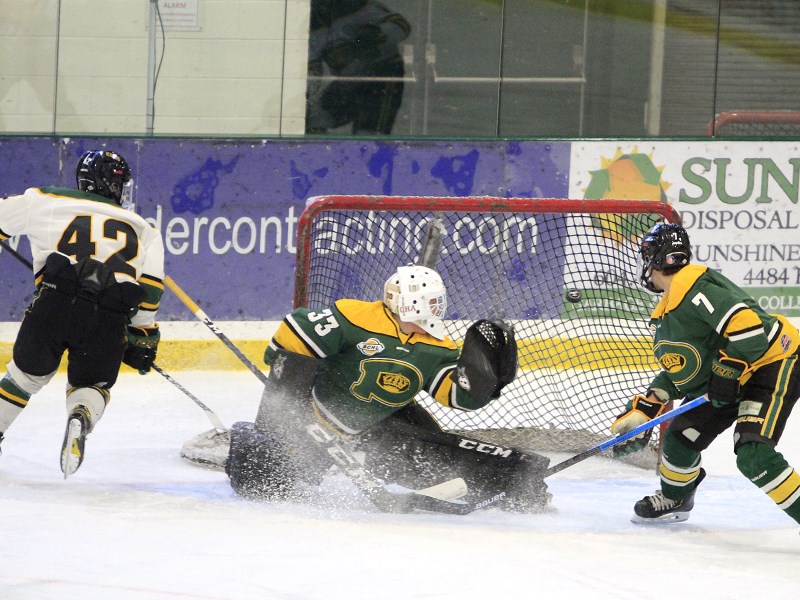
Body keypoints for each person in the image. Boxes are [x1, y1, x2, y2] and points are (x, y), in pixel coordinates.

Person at [225, 265, 551, 512]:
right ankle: (271, 442)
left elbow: (454, 394)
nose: (437, 310)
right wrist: (288, 400)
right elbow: (295, 330)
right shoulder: (356, 317)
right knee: (263, 480)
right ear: (407, 303)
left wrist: (485, 382)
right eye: (430, 302)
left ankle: (513, 484)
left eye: (438, 302)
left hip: (375, 433)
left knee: (445, 466)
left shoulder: (437, 345)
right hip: (313, 423)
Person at [610, 223, 800, 524]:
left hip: (772, 363)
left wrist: (727, 369)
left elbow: (750, 330)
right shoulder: (670, 307)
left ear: (657, 260)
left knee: (753, 455)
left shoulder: (692, 285)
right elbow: (686, 369)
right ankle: (676, 497)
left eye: (645, 257)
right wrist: (647, 406)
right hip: (735, 374)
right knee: (680, 439)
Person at [0, 150, 165, 477]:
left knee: (23, 377)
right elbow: (150, 290)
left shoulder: (44, 199)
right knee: (92, 383)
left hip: (55, 302)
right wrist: (142, 336)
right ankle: (81, 414)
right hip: (109, 315)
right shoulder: (143, 228)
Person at [306, 0, 411, 135]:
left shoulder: (358, 5)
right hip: (347, 81)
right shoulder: (308, 22)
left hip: (382, 78)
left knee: (369, 135)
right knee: (314, 121)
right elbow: (312, 70)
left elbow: (402, 25)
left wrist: (377, 33)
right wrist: (307, 96)